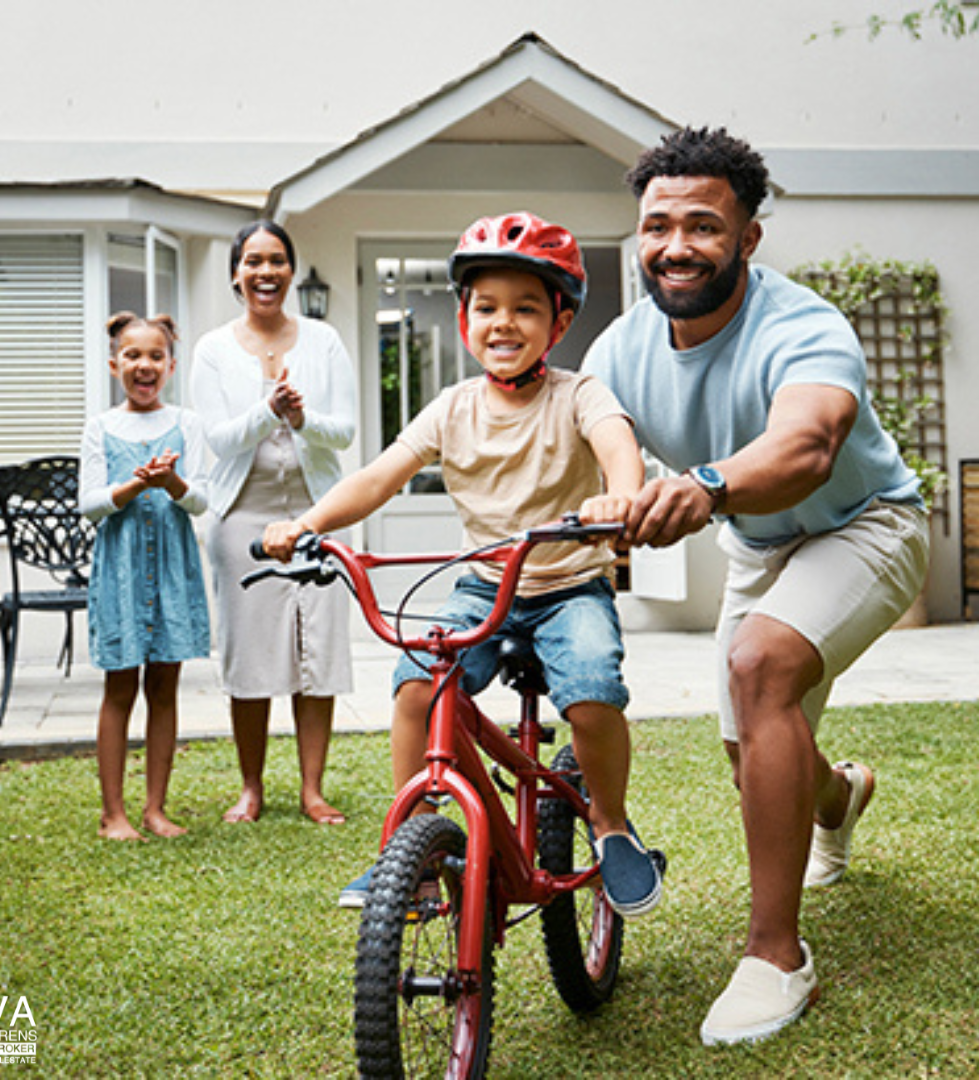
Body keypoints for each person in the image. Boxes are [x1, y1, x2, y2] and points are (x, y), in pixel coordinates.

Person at [583, 127, 930, 1045]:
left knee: (759, 664)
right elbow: (599, 429)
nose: (677, 246)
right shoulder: (624, 345)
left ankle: (777, 959)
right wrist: (616, 498)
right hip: (762, 545)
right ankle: (837, 794)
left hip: (867, 524)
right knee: (752, 763)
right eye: (659, 225)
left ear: (748, 239)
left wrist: (702, 486)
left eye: (704, 225)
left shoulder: (802, 323)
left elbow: (807, 448)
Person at [264, 211, 664, 916]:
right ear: (463, 319)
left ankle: (608, 823)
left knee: (592, 682)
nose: (503, 323)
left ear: (560, 323)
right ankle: (412, 842)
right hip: (486, 584)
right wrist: (308, 522)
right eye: (486, 308)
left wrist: (622, 497)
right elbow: (379, 476)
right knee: (418, 681)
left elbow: (615, 445)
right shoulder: (452, 408)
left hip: (569, 585)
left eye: (525, 309)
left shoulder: (580, 394)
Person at [191, 220, 357, 825]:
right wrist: (268, 411)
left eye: (278, 261)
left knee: (316, 649)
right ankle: (251, 787)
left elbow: (345, 430)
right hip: (244, 517)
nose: (267, 272)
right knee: (251, 653)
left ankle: (313, 790)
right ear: (236, 273)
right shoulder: (213, 349)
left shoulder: (324, 340)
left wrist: (303, 418)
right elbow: (216, 438)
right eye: (254, 261)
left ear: (291, 269)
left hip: (317, 513)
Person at [80, 312, 211, 841]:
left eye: (155, 356)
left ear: (170, 365)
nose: (144, 365)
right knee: (119, 687)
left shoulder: (188, 424)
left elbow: (202, 501)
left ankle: (155, 809)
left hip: (173, 571)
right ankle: (114, 812)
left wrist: (173, 481)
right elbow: (88, 506)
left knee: (164, 687)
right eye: (132, 355)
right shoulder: (101, 428)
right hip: (121, 573)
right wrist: (131, 488)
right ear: (115, 365)